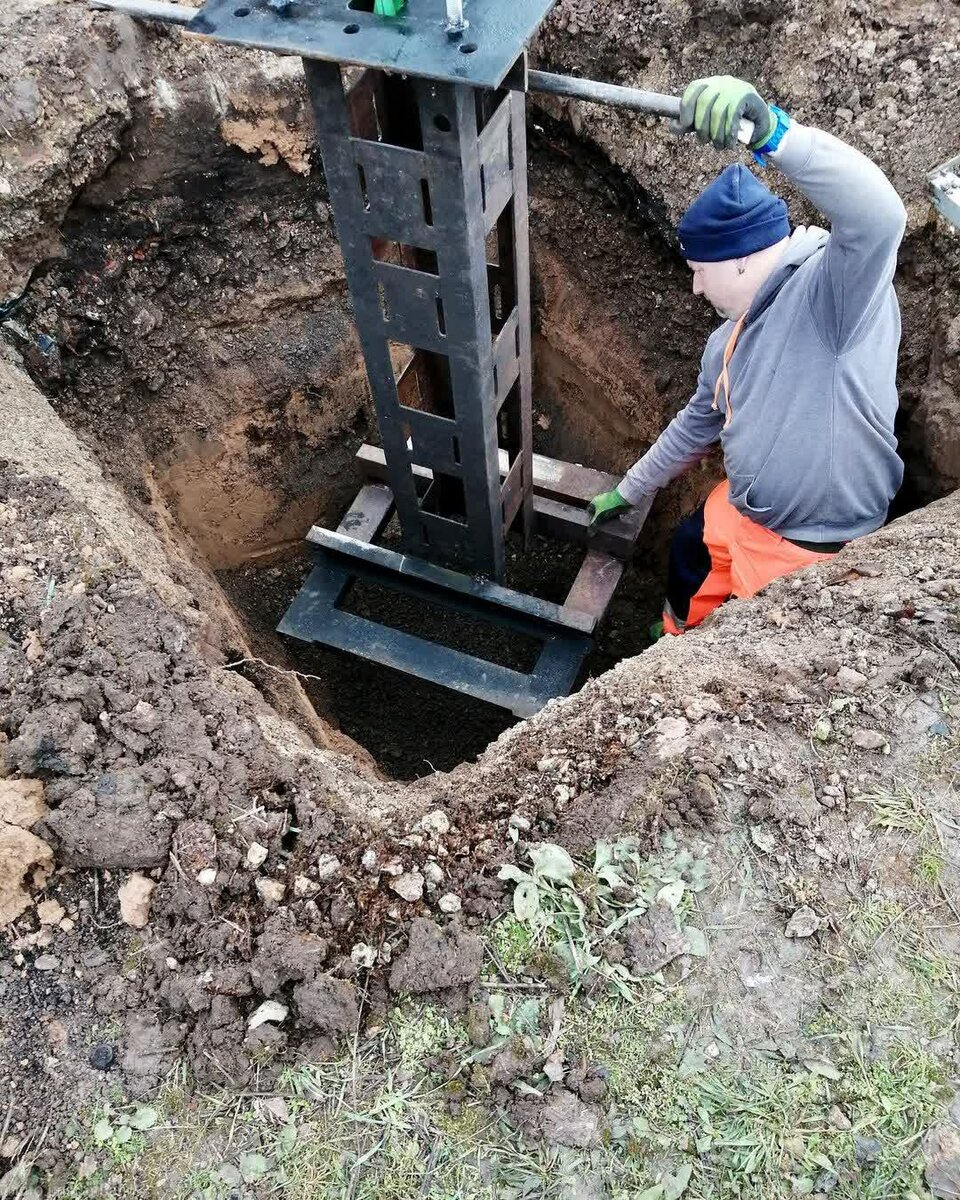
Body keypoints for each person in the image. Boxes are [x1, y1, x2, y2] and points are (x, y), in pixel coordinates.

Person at [588, 76, 906, 636]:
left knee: (749, 648)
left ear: (738, 261)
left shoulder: (833, 300)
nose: (695, 290)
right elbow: (696, 426)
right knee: (690, 549)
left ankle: (696, 683)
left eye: (699, 273)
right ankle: (666, 654)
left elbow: (880, 217)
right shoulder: (728, 339)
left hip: (807, 550)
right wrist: (630, 488)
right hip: (746, 512)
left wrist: (777, 136)